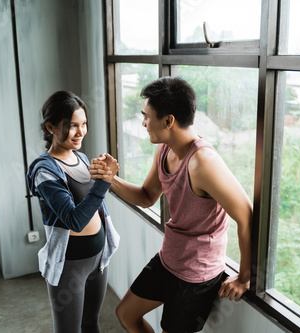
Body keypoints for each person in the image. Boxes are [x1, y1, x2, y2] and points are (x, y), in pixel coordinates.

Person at [90, 77, 252, 333]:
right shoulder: (164, 150)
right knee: (126, 314)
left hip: (197, 274)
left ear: (168, 121)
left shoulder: (203, 163)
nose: (143, 123)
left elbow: (246, 215)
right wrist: (110, 179)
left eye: (146, 116)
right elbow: (146, 196)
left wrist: (244, 277)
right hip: (169, 259)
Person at [26, 90, 120, 333]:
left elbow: (95, 205)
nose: (81, 132)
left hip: (99, 259)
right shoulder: (44, 171)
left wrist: (101, 176)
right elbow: (74, 220)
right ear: (50, 126)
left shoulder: (81, 158)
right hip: (71, 265)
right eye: (71, 126)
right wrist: (104, 182)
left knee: (91, 324)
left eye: (84, 124)